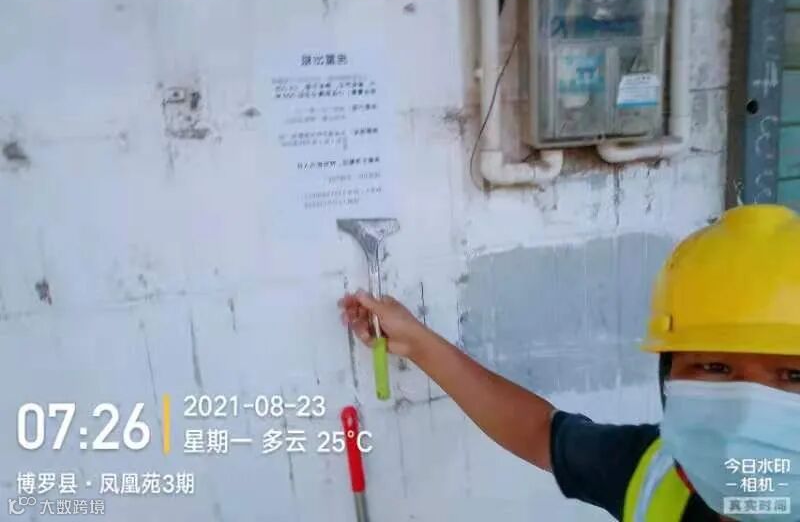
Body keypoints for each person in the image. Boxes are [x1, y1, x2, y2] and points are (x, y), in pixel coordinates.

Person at [339, 204, 800, 521]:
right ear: (668, 377)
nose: (746, 416)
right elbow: (538, 431)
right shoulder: (650, 470)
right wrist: (418, 342)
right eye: (715, 368)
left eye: (793, 375)